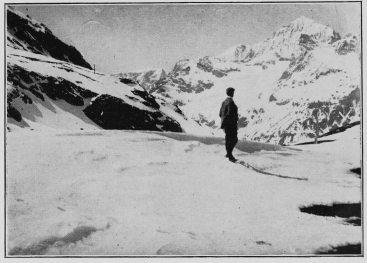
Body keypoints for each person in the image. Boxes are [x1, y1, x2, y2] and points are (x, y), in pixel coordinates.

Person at [219, 87, 239, 162]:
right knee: (234, 139)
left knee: (228, 139)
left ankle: (228, 153)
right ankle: (230, 155)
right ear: (232, 93)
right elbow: (230, 114)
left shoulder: (224, 102)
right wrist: (234, 121)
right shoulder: (231, 102)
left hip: (225, 124)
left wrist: (224, 123)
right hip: (231, 125)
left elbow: (220, 114)